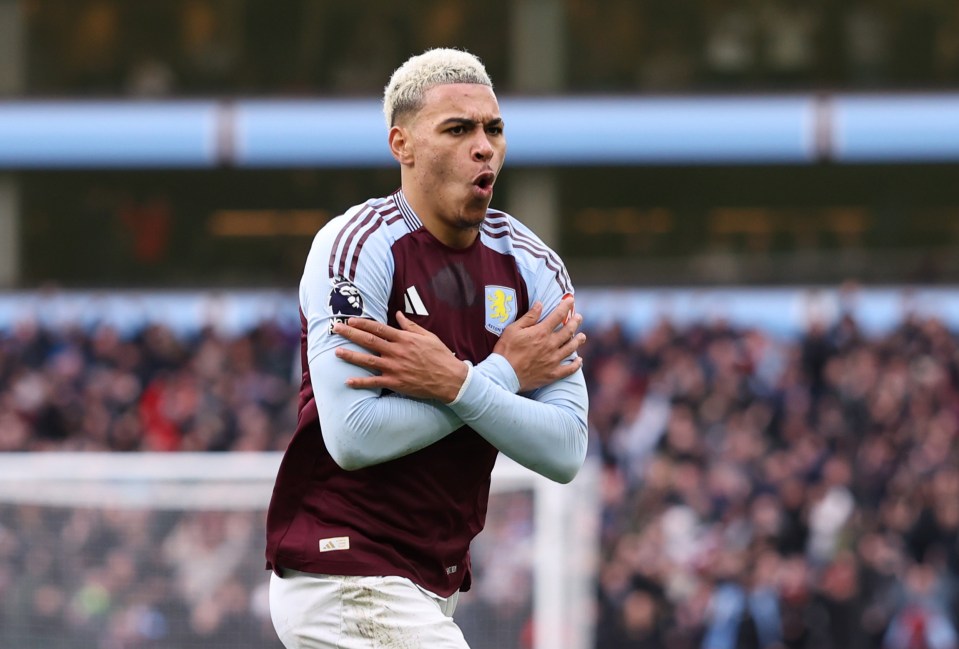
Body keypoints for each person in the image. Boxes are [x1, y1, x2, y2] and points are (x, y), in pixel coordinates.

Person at [265, 47, 589, 649]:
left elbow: (566, 448)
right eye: (458, 129)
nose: (484, 146)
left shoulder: (534, 267)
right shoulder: (356, 248)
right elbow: (354, 436)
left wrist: (459, 382)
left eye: (493, 129)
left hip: (433, 580)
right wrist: (495, 376)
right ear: (402, 145)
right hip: (344, 568)